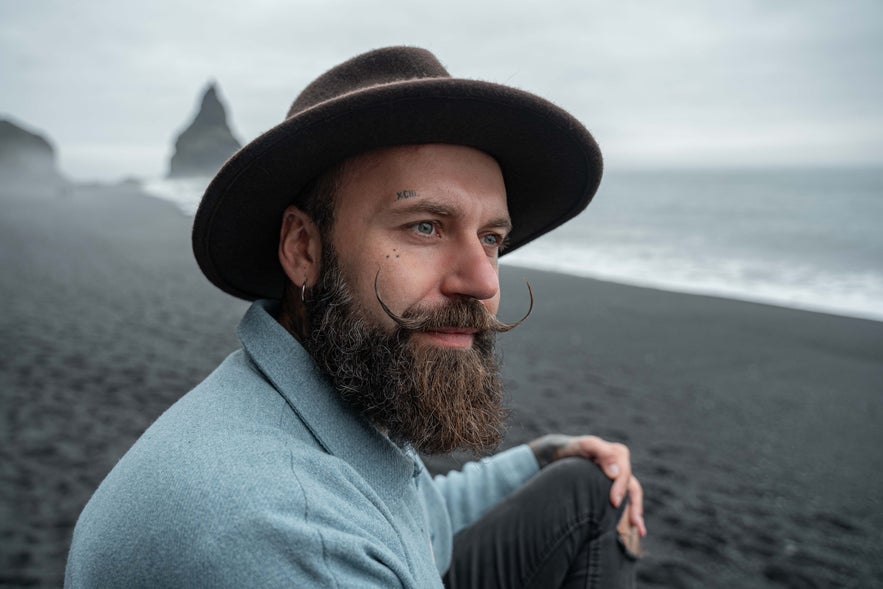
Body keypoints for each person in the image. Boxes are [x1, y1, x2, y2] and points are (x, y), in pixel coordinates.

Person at [65, 46, 645, 588]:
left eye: (491, 237)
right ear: (303, 248)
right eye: (425, 226)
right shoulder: (288, 537)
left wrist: (543, 456)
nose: (484, 280)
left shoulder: (325, 396)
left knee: (589, 489)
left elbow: (414, 514)